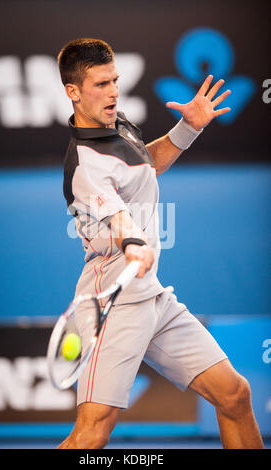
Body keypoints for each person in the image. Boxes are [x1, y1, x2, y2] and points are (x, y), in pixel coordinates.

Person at [57, 38, 263, 449]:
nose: (113, 91)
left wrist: (188, 128)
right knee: (93, 431)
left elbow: (145, 168)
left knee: (235, 395)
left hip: (150, 297)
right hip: (113, 306)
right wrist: (134, 243)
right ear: (73, 92)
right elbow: (116, 214)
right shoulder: (85, 164)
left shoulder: (118, 125)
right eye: (100, 84)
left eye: (115, 80)